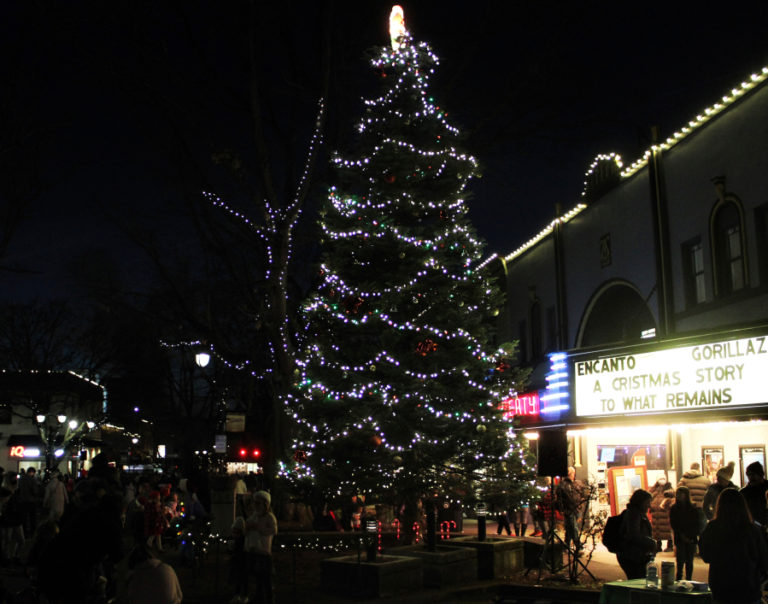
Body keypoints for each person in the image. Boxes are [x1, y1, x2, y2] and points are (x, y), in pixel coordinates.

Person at [700, 488, 768, 604]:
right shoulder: (751, 530)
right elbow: (763, 559)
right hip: (748, 586)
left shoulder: (713, 528)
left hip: (721, 586)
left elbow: (706, 556)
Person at [245, 491, 278, 604]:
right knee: (257, 577)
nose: (256, 505)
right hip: (254, 549)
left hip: (264, 551)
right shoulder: (254, 516)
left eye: (258, 503)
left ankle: (268, 598)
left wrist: (259, 528)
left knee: (266, 577)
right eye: (255, 503)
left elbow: (273, 530)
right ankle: (258, 596)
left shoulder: (269, 517)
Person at [616, 488, 656, 579]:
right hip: (632, 555)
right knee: (637, 579)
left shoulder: (636, 513)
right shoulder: (634, 514)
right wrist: (651, 543)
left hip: (633, 554)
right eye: (647, 502)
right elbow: (633, 535)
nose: (649, 505)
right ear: (641, 502)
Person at [669, 486, 699, 581]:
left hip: (690, 537)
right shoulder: (674, 508)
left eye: (680, 494)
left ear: (686, 495)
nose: (678, 496)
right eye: (677, 494)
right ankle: (679, 578)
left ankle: (689, 579)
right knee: (680, 559)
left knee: (689, 560)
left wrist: (690, 535)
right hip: (680, 536)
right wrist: (682, 535)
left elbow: (696, 523)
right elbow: (674, 523)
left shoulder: (693, 508)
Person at [556, 466, 583, 553]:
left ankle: (566, 545)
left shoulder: (575, 484)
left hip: (575, 509)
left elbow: (579, 495)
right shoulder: (563, 485)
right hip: (569, 509)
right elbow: (560, 498)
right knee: (573, 527)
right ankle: (578, 546)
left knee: (570, 528)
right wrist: (562, 509)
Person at [649, 475, 674, 552]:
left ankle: (670, 545)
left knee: (667, 530)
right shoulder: (653, 490)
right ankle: (658, 545)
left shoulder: (669, 489)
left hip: (665, 513)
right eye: (660, 479)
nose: (662, 480)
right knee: (657, 530)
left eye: (663, 479)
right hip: (656, 514)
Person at [740, 461, 768, 527]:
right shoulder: (744, 492)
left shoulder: (744, 492)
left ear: (760, 475)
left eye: (753, 474)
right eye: (749, 475)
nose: (750, 478)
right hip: (752, 527)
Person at [228, 516, 248, 604]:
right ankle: (238, 595)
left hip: (243, 562)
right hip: (237, 562)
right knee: (238, 580)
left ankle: (244, 595)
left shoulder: (242, 541)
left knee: (243, 579)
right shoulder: (236, 541)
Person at [17, 467, 39, 538]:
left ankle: (24, 533)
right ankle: (32, 533)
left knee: (24, 517)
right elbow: (35, 491)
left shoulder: (21, 479)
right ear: (32, 472)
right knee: (32, 517)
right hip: (31, 501)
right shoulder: (32, 480)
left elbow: (18, 490)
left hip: (22, 500)